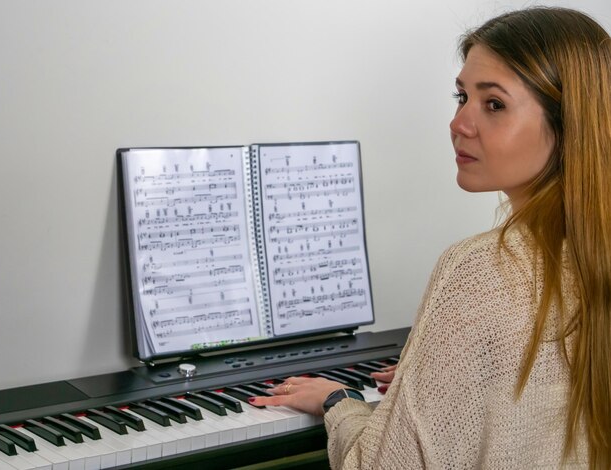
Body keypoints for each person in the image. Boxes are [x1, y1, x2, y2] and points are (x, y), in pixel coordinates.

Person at [249, 6, 611, 469]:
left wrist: (339, 403)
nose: (459, 123)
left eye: (494, 104)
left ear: (568, 124)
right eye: (461, 97)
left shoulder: (482, 268)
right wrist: (439, 379)